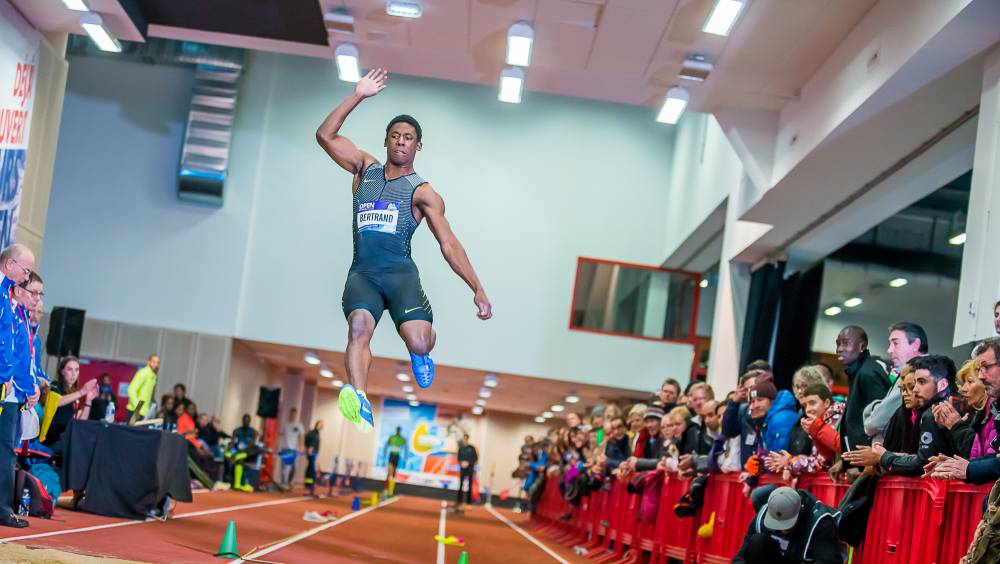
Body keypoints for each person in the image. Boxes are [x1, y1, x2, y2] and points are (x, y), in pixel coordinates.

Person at [316, 69, 492, 432]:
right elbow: (325, 135)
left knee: (419, 340)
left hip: (400, 277)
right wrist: (358, 95)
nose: (400, 142)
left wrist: (476, 287)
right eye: (395, 136)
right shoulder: (364, 169)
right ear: (385, 141)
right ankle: (359, 397)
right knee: (359, 328)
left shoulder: (422, 192)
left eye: (408, 138)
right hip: (363, 274)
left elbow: (449, 243)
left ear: (418, 146)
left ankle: (421, 352)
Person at [845, 355, 957, 475]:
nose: (914, 390)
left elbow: (923, 463)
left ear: (942, 384)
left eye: (921, 382)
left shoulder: (932, 414)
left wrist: (884, 457)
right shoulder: (915, 413)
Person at [0, 244, 38, 529]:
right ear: (10, 264)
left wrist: (29, 386)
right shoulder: (6, 300)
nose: (36, 298)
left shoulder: (17, 311)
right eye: (24, 273)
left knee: (6, 450)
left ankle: (2, 509)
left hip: (10, 387)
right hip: (6, 387)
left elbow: (20, 354)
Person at [733, 486, 841, 563]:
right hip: (779, 557)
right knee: (758, 542)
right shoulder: (766, 511)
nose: (782, 530)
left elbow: (826, 561)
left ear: (801, 510)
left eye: (787, 524)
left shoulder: (821, 522)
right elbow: (741, 555)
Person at [864, 322, 927, 444]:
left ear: (915, 344)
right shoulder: (912, 372)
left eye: (896, 343)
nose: (889, 350)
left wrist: (874, 408)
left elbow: (874, 423)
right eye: (890, 343)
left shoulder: (914, 373)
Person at [835, 326, 891, 454]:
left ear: (862, 346)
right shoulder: (859, 371)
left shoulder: (869, 372)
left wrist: (869, 464)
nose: (839, 349)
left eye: (845, 343)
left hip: (869, 460)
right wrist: (845, 462)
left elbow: (883, 421)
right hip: (858, 458)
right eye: (838, 344)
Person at [935, 359, 995, 459]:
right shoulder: (979, 415)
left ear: (986, 382)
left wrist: (957, 426)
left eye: (970, 381)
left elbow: (987, 460)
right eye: (964, 382)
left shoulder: (994, 415)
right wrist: (948, 426)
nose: (963, 389)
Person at [43, 356, 97, 449]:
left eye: (76, 370)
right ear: (62, 371)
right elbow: (57, 402)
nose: (73, 374)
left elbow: (79, 421)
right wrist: (82, 392)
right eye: (69, 369)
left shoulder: (74, 393)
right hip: (53, 439)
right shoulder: (55, 386)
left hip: (66, 438)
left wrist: (88, 401)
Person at [126, 354, 160, 422]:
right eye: (154, 362)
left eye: (158, 362)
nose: (156, 365)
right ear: (149, 362)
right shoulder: (143, 372)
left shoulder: (153, 376)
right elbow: (131, 389)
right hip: (135, 411)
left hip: (144, 412)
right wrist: (137, 409)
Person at [278, 408, 305, 488]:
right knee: (283, 467)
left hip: (294, 449)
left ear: (296, 415)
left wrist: (301, 446)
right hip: (285, 448)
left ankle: (290, 482)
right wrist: (277, 445)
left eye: (294, 414)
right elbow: (280, 434)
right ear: (289, 414)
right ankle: (283, 482)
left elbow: (302, 436)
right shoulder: (285, 424)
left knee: (294, 467)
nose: (293, 415)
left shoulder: (299, 425)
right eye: (291, 414)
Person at [455, 433, 478, 509]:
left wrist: (468, 463)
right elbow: (458, 458)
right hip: (462, 469)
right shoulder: (461, 448)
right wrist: (462, 463)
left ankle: (468, 503)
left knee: (469, 486)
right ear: (463, 439)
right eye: (464, 438)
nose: (465, 440)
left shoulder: (472, 448)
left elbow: (475, 458)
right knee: (460, 485)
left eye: (466, 438)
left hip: (470, 469)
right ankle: (459, 502)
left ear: (468, 439)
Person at [384, 426, 407, 494]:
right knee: (389, 471)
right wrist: (384, 455)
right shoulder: (392, 437)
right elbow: (387, 445)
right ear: (396, 430)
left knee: (394, 471)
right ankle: (386, 489)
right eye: (397, 430)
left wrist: (405, 459)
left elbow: (405, 448)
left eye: (399, 430)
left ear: (400, 431)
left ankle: (391, 490)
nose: (398, 431)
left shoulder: (402, 439)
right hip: (391, 455)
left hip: (397, 456)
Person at [304, 420, 323, 496]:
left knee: (311, 469)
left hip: (314, 453)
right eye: (320, 424)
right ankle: (309, 486)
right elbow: (309, 443)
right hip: (312, 453)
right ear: (316, 425)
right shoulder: (313, 433)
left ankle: (309, 486)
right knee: (311, 470)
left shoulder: (317, 433)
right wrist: (310, 450)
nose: (321, 426)